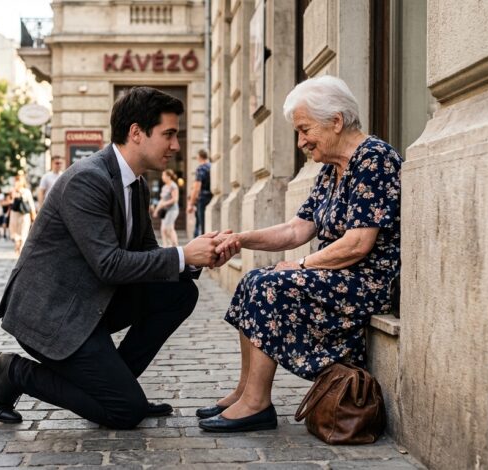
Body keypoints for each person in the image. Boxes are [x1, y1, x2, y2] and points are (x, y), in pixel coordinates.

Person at [0, 86, 229, 430]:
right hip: (52, 314)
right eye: (169, 134)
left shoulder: (137, 184)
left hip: (90, 302)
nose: (176, 145)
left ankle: (119, 385)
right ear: (136, 133)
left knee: (180, 292)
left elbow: (145, 254)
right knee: (124, 412)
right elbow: (109, 264)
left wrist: (195, 259)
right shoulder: (88, 179)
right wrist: (182, 253)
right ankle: (13, 371)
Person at [196, 76, 402, 433]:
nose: (301, 141)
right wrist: (240, 239)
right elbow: (297, 229)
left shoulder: (375, 159)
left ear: (336, 122)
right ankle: (245, 390)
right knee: (252, 280)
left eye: (305, 130)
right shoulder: (331, 170)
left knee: (270, 286)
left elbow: (358, 243)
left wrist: (302, 263)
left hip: (366, 281)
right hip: (339, 275)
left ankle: (257, 404)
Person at [8, 175, 36, 256]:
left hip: (19, 214)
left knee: (19, 231)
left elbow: (10, 201)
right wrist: (33, 214)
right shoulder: (24, 191)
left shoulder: (18, 191)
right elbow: (31, 204)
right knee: (22, 231)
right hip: (23, 214)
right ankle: (20, 247)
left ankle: (19, 245)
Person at [187, 149, 212, 237]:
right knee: (205, 223)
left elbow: (197, 188)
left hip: (202, 199)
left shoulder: (201, 168)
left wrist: (191, 203)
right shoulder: (211, 166)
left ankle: (199, 243)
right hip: (211, 197)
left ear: (199, 156)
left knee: (201, 224)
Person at [153, 169, 179, 247]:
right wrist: (156, 210)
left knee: (168, 228)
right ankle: (165, 246)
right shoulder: (164, 187)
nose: (162, 177)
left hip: (172, 210)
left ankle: (175, 245)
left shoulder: (173, 186)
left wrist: (165, 204)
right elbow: (162, 200)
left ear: (168, 176)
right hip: (165, 211)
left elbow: (175, 199)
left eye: (163, 175)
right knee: (163, 230)